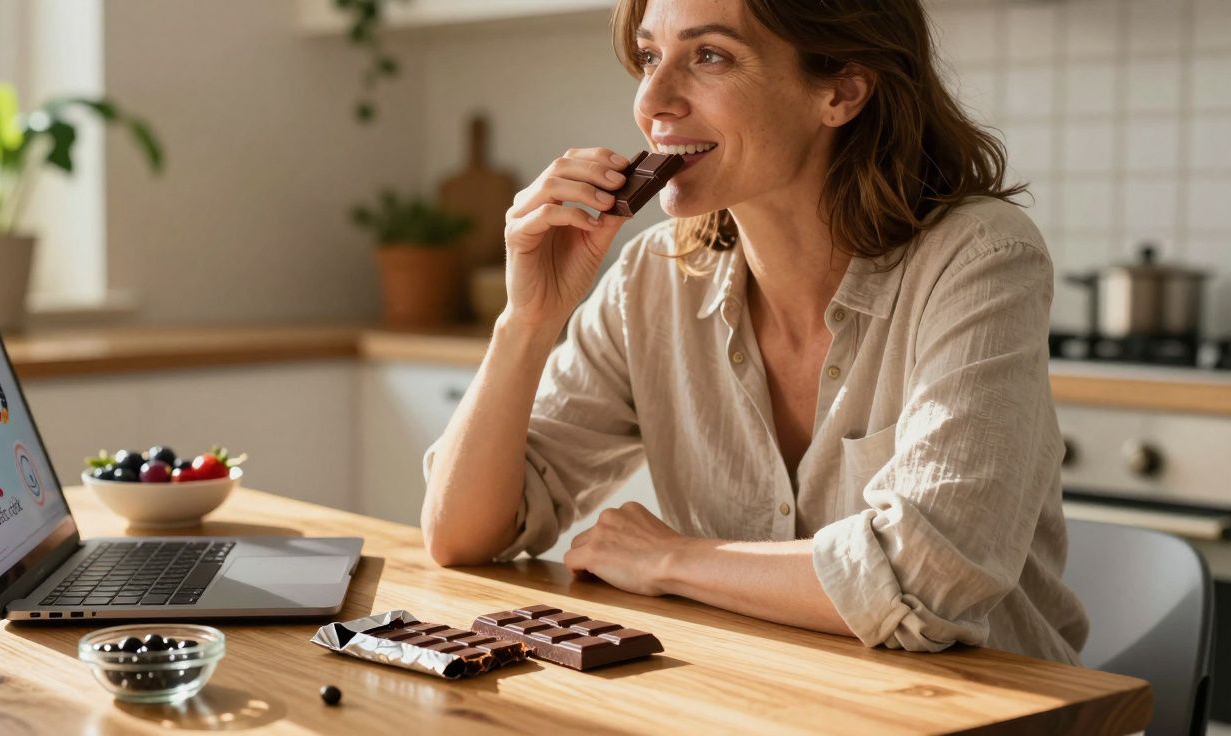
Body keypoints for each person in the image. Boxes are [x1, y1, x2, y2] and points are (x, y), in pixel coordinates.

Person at [421, 0, 1088, 665]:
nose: (652, 100)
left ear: (841, 91)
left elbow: (925, 581)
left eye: (709, 56)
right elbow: (461, 535)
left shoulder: (980, 259)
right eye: (650, 57)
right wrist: (528, 321)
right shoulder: (654, 279)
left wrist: (671, 560)